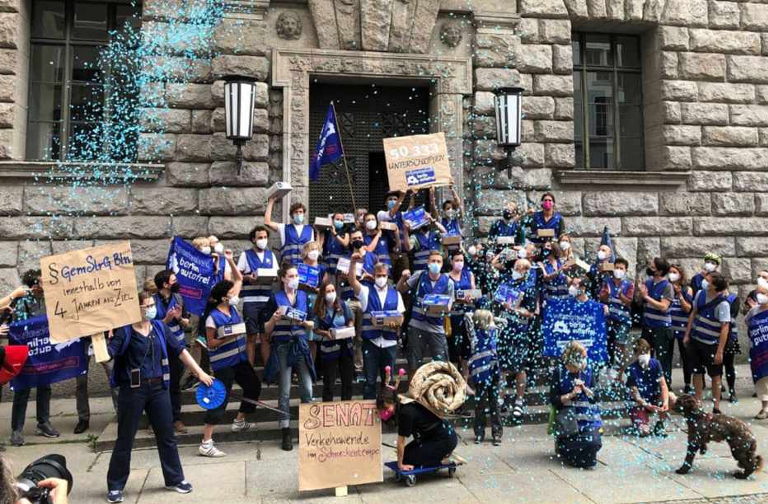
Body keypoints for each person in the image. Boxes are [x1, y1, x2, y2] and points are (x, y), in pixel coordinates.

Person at [106, 290, 213, 503]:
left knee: (167, 435)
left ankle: (175, 478)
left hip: (158, 388)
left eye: (150, 304)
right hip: (133, 389)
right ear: (135, 309)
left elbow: (181, 350)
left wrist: (199, 372)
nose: (149, 309)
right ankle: (116, 485)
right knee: (125, 438)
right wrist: (99, 340)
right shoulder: (124, 332)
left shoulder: (159, 328)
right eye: (145, 306)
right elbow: (108, 355)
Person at [199, 251, 262, 458]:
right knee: (220, 398)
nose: (235, 294)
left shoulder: (232, 310)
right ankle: (206, 441)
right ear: (224, 296)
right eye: (231, 293)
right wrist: (228, 337)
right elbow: (210, 343)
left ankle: (240, 420)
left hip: (240, 360)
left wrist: (230, 260)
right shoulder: (213, 317)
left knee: (253, 385)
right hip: (223, 364)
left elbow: (239, 278)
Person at [264, 264, 315, 451]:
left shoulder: (303, 296)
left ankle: (308, 429)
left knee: (307, 388)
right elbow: (266, 329)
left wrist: (302, 321)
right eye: (291, 275)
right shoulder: (274, 297)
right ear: (283, 278)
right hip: (283, 345)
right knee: (284, 391)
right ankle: (285, 431)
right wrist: (274, 319)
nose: (295, 278)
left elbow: (312, 323)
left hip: (300, 344)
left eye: (296, 275)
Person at [9, 270, 59, 446]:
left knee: (45, 386)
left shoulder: (48, 299)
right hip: (25, 352)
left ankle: (43, 422)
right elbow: (20, 326)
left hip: (44, 350)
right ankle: (16, 430)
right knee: (22, 390)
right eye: (43, 281)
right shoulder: (23, 299)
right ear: (35, 284)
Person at [349, 260, 405, 399]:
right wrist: (353, 263)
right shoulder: (366, 291)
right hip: (371, 342)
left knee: (388, 382)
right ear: (374, 276)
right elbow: (352, 281)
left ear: (388, 276)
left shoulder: (396, 294)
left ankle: (387, 414)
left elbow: (401, 316)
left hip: (390, 343)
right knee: (370, 381)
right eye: (378, 275)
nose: (381, 278)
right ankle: (368, 415)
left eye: (384, 275)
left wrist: (396, 323)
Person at [377, 382, 458, 471]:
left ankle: (443, 457)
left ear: (393, 402)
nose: (385, 411)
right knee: (405, 455)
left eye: (386, 408)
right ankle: (440, 453)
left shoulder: (405, 413)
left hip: (445, 439)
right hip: (432, 437)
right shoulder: (402, 401)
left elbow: (401, 442)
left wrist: (400, 465)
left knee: (406, 459)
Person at [398, 251, 454, 374]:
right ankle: (413, 391)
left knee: (442, 363)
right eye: (433, 261)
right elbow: (401, 290)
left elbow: (449, 306)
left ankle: (440, 390)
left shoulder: (449, 282)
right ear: (428, 263)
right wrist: (403, 278)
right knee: (414, 363)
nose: (435, 264)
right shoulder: (419, 276)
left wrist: (438, 306)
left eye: (438, 261)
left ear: (442, 264)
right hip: (416, 325)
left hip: (437, 326)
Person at [683, 271, 731, 414]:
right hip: (696, 340)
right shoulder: (700, 295)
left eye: (708, 281)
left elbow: (725, 328)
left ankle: (716, 407)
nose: (705, 282)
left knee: (715, 375)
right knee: (696, 372)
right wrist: (687, 334)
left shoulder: (723, 304)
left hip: (711, 344)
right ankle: (698, 402)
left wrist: (720, 351)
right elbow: (694, 313)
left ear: (715, 286)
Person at [549, 341, 602, 469]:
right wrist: (571, 394)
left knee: (593, 445)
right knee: (574, 456)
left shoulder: (588, 370)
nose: (585, 360)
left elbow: (596, 397)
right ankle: (563, 446)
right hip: (568, 421)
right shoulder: (559, 372)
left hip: (587, 419)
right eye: (582, 357)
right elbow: (554, 400)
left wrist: (586, 389)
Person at [495, 258, 537, 418]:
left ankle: (519, 400)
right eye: (516, 267)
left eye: (521, 268)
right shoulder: (506, 283)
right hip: (504, 329)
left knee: (519, 367)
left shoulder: (530, 288)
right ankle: (500, 398)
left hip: (520, 331)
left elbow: (531, 313)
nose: (517, 270)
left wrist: (514, 308)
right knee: (502, 366)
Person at [152, 270, 190, 435]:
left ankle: (176, 418)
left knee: (174, 384)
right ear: (165, 284)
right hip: (159, 348)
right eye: (174, 280)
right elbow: (148, 326)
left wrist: (180, 318)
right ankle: (157, 419)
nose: (177, 282)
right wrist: (166, 319)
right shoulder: (151, 302)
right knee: (158, 384)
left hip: (177, 347)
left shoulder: (179, 298)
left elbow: (186, 324)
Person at [237, 225, 279, 366]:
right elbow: (238, 276)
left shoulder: (270, 255)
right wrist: (249, 278)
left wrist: (274, 278)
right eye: (260, 237)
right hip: (251, 301)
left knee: (265, 337)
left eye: (265, 237)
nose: (263, 240)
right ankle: (250, 372)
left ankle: (268, 372)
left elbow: (277, 276)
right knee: (251, 337)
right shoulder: (245, 255)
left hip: (267, 300)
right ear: (253, 239)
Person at [313, 281, 354, 402]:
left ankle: (346, 407)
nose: (331, 293)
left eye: (333, 291)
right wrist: (325, 333)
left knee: (347, 382)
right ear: (323, 294)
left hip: (345, 345)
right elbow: (315, 329)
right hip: (329, 348)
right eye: (328, 291)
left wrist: (349, 327)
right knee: (329, 383)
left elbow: (350, 319)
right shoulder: (319, 309)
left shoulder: (342, 305)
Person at [467, 309, 502, 445]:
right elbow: (467, 316)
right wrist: (480, 317)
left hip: (493, 371)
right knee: (480, 404)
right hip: (480, 373)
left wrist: (492, 321)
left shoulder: (495, 332)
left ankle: (497, 433)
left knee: (494, 403)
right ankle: (479, 433)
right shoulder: (474, 334)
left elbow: (503, 322)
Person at [638, 257, 674, 386]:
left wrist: (646, 297)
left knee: (663, 358)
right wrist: (640, 293)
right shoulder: (648, 282)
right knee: (645, 355)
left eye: (653, 268)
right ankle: (647, 383)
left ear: (660, 271)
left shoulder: (667, 286)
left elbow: (664, 306)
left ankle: (665, 387)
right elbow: (640, 302)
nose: (650, 269)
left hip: (661, 328)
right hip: (648, 325)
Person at [626, 338, 669, 437]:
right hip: (638, 404)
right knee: (644, 432)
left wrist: (665, 402)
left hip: (653, 398)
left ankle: (660, 423)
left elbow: (663, 385)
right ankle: (642, 423)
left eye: (646, 352)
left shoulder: (655, 364)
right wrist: (646, 405)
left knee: (671, 397)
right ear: (636, 354)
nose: (644, 355)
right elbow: (635, 394)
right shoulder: (631, 369)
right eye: (641, 353)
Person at [598, 257, 634, 368]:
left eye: (621, 268)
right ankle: (608, 366)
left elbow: (629, 302)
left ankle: (619, 369)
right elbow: (601, 298)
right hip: (609, 318)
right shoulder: (607, 282)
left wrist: (620, 294)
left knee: (620, 343)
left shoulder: (629, 284)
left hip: (623, 320)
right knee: (608, 343)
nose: (618, 270)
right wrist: (607, 294)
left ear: (625, 270)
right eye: (616, 267)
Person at [447, 250, 476, 386]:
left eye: (461, 260)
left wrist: (470, 296)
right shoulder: (446, 277)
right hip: (453, 316)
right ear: (452, 261)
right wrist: (458, 298)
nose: (459, 263)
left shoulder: (469, 274)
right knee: (454, 348)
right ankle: (453, 381)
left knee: (466, 349)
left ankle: (464, 383)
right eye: (457, 260)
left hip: (468, 315)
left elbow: (474, 292)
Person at [264, 197, 315, 266]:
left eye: (300, 212)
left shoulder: (310, 230)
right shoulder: (284, 228)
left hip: (304, 269)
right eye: (296, 212)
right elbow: (267, 222)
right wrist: (271, 202)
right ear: (292, 215)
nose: (298, 214)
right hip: (288, 269)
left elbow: (312, 251)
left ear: (304, 214)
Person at [668, 264, 694, 393]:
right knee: (667, 356)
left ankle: (688, 383)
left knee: (686, 357)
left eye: (674, 272)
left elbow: (688, 309)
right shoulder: (666, 287)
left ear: (680, 274)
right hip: (669, 327)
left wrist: (679, 294)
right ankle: (667, 383)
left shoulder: (687, 289)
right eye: (670, 272)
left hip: (683, 328)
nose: (671, 274)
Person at [746, 284, 768, 419]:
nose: (760, 296)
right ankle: (765, 407)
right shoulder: (754, 312)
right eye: (758, 293)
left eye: (764, 293)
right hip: (759, 351)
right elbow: (748, 325)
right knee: (762, 379)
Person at [723, 290, 741, 403]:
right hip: (714, 335)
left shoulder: (734, 298)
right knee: (716, 366)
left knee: (729, 365)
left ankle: (732, 390)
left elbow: (732, 314)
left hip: (730, 336)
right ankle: (718, 390)